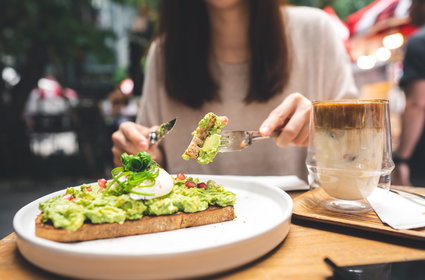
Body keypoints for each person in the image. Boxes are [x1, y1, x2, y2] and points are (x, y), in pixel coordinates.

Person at [112, 0, 357, 180]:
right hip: (194, 237)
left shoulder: (316, 32)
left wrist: (326, 125)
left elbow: (361, 155)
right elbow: (153, 164)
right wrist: (139, 155)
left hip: (302, 229)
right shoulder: (164, 54)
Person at [392, 0, 425, 186]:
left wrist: (402, 159)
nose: (409, 9)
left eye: (413, 3)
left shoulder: (419, 42)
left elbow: (417, 104)